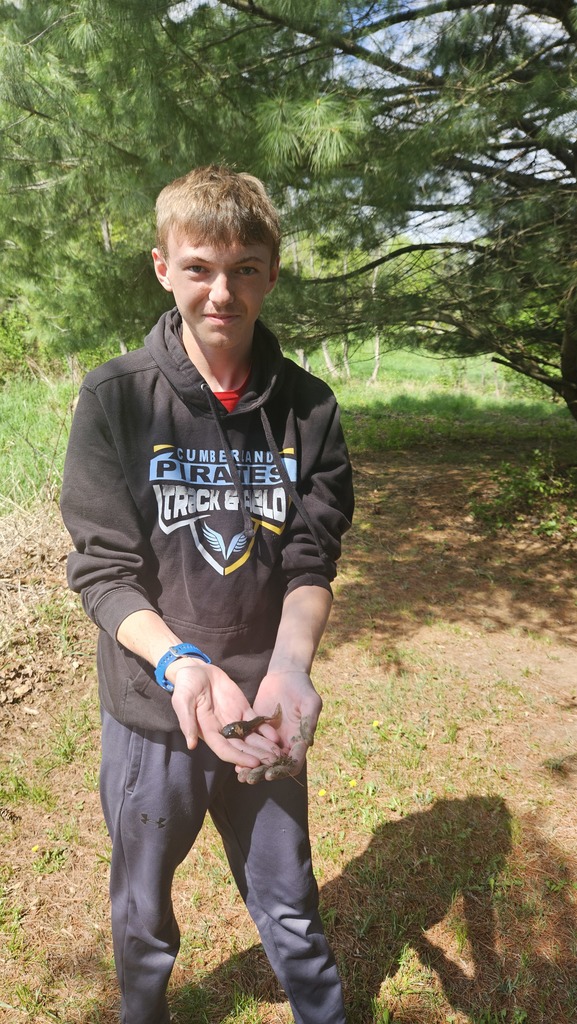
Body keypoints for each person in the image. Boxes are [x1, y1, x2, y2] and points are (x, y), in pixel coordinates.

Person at [60, 165, 354, 1024]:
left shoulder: (309, 407)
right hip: (158, 707)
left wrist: (290, 670)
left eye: (245, 268)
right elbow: (104, 572)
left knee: (290, 901)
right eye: (199, 267)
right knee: (143, 914)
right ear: (163, 266)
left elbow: (310, 559)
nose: (221, 291)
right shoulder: (115, 397)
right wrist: (183, 664)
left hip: (263, 704)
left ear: (270, 269)